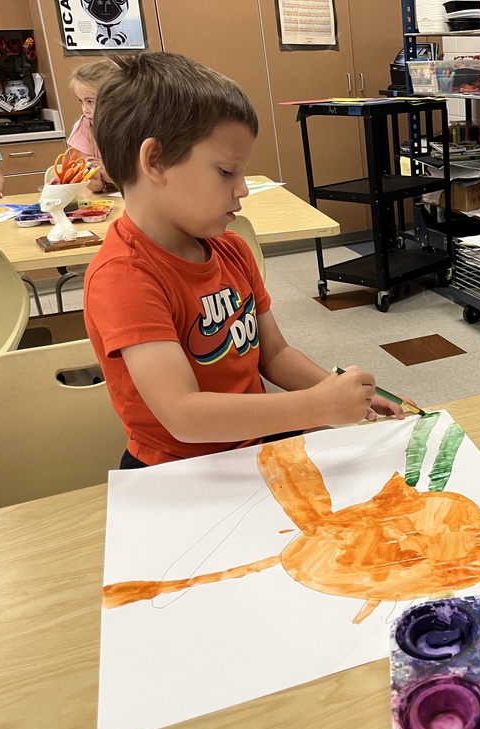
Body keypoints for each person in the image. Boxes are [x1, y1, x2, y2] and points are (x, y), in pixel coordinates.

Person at [84, 51, 409, 469]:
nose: (242, 189)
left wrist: (342, 393)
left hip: (252, 447)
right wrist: (315, 406)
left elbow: (274, 354)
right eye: (226, 172)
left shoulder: (232, 249)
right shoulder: (124, 276)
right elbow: (183, 415)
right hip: (176, 469)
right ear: (155, 161)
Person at [67, 58, 120, 193]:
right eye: (81, 101)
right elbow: (94, 186)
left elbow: (142, 183)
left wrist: (113, 177)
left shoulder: (133, 125)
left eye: (90, 101)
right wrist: (94, 180)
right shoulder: (83, 127)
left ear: (113, 99)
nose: (85, 109)